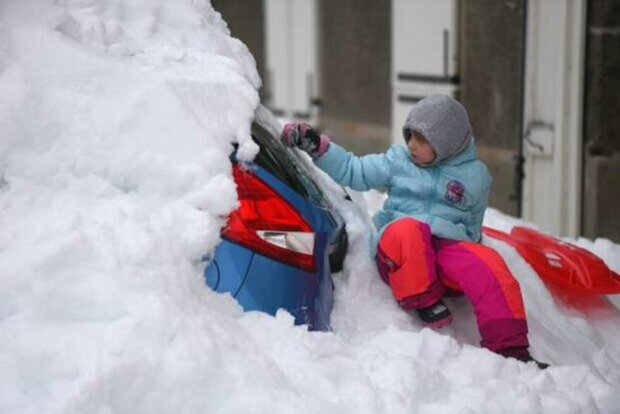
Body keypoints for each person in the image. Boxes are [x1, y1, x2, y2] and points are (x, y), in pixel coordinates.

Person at [281, 94, 548, 369]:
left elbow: (471, 224)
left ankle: (511, 349)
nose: (411, 145)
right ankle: (423, 298)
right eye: (410, 136)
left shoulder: (475, 177)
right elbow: (354, 170)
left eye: (422, 139)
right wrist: (317, 147)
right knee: (409, 230)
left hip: (444, 251)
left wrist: (470, 260)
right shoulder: (399, 161)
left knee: (489, 263)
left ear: (446, 143)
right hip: (399, 253)